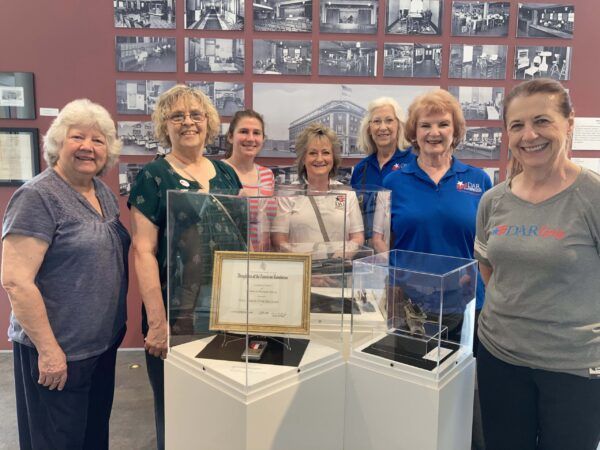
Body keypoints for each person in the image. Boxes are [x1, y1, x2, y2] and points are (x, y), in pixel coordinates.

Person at [474, 78, 600, 450]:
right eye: (517, 125)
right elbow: (491, 272)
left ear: (569, 123)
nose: (530, 135)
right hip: (500, 357)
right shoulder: (493, 200)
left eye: (542, 121)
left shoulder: (592, 196)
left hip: (573, 367)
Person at [1, 99, 129, 449]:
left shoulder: (101, 191)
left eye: (98, 140)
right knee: (56, 441)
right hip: (58, 353)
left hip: (99, 347)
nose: (88, 147)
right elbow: (16, 280)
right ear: (58, 143)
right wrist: (49, 351)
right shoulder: (37, 196)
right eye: (78, 137)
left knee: (91, 436)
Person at [128, 84, 242, 450]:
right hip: (178, 312)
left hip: (225, 308)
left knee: (224, 399)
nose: (188, 122)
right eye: (177, 116)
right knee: (176, 406)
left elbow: (241, 241)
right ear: (165, 125)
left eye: (196, 115)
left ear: (209, 122)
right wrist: (158, 323)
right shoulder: (153, 177)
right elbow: (143, 251)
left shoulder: (226, 174)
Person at [382, 89, 492, 343]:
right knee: (410, 377)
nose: (434, 132)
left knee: (460, 379)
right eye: (425, 125)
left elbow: (489, 247)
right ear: (414, 133)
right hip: (412, 306)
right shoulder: (394, 182)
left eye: (443, 124)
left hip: (466, 303)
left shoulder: (479, 180)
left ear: (455, 131)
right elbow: (386, 243)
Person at [271, 122, 364, 253]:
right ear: (303, 158)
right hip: (300, 271)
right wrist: (306, 264)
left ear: (333, 157)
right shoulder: (288, 194)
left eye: (325, 152)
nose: (319, 159)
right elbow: (278, 240)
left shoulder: (346, 194)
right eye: (313, 153)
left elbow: (357, 237)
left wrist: (341, 257)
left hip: (336, 269)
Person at [222, 109, 275, 250]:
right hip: (231, 260)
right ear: (230, 137)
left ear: (263, 138)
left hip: (264, 263)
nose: (250, 138)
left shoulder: (267, 175)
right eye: (244, 131)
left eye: (256, 133)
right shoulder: (218, 172)